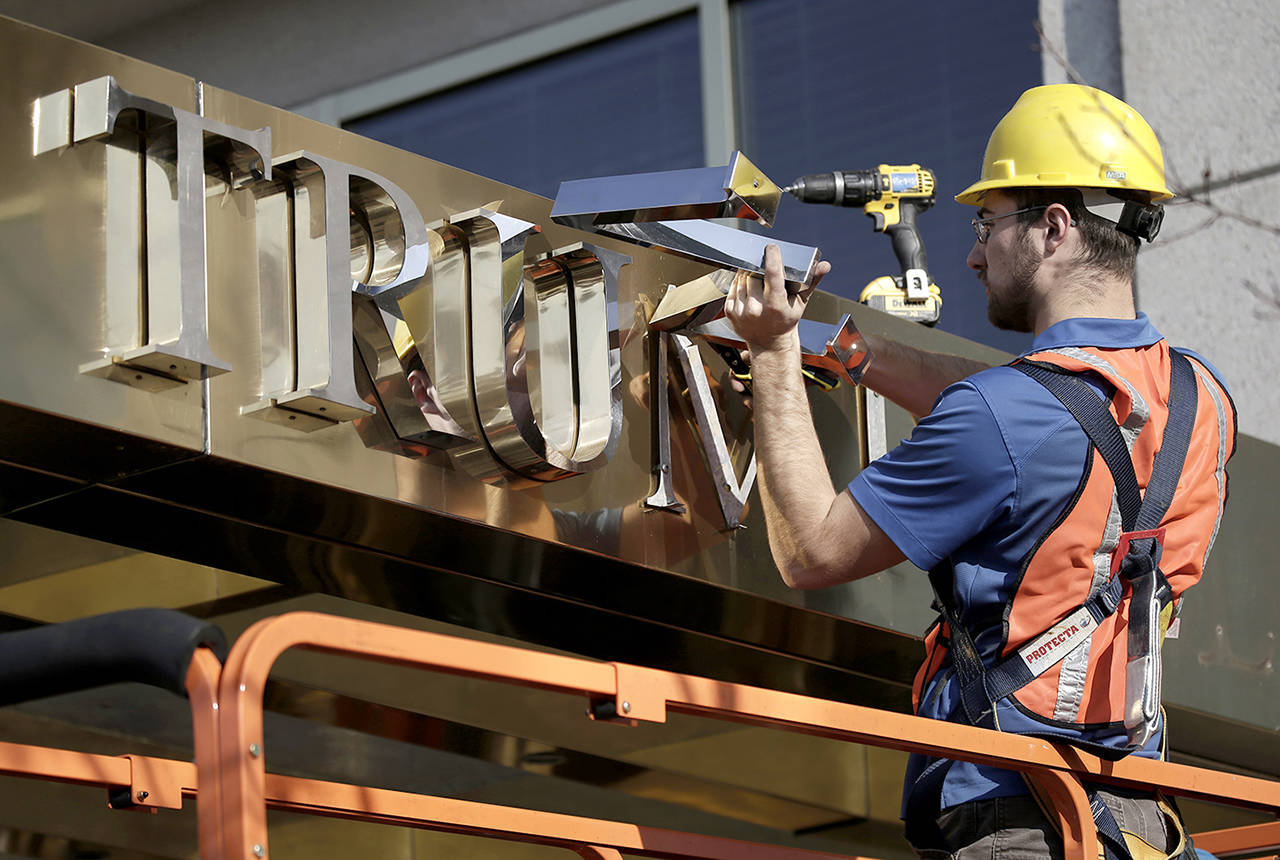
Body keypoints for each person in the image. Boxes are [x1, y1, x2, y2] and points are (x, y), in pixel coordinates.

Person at [724, 84, 1236, 859]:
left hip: (1013, 818)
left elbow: (812, 552)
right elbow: (1040, 412)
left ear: (1054, 228)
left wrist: (769, 354)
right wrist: (857, 351)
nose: (971, 252)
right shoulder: (1203, 400)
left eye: (988, 223)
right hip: (1135, 823)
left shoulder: (1002, 415)